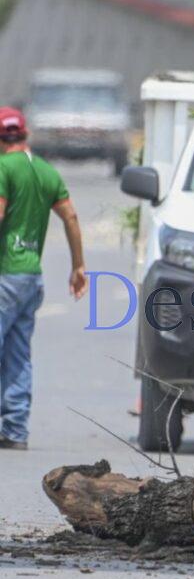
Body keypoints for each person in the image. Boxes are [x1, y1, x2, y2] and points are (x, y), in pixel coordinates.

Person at [0, 107, 86, 450]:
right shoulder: (48, 173)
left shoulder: (4, 168)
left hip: (5, 274)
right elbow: (71, 216)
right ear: (25, 135)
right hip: (30, 277)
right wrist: (78, 267)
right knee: (18, 354)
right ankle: (15, 429)